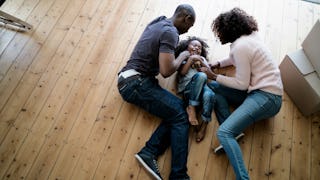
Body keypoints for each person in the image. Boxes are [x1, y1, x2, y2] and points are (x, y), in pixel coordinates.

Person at [199, 8, 283, 179]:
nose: (218, 36)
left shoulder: (240, 47)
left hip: (267, 97)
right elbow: (237, 59)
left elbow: (241, 84)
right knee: (214, 87)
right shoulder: (250, 37)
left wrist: (214, 76)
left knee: (223, 133)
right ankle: (233, 129)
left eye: (220, 32)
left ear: (229, 31)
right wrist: (217, 64)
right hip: (259, 94)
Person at [117, 4, 195, 180]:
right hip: (136, 82)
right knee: (181, 115)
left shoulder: (158, 22)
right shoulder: (171, 32)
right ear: (186, 18)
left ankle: (149, 152)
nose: (186, 31)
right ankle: (178, 176)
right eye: (189, 26)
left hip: (132, 80)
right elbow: (166, 71)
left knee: (178, 111)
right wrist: (183, 55)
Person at [175, 36, 213, 142]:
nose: (197, 48)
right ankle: (191, 107)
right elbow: (182, 72)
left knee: (210, 94)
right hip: (188, 90)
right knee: (201, 76)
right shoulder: (183, 58)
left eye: (199, 47)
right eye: (194, 45)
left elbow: (209, 71)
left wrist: (200, 61)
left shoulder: (202, 59)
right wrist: (191, 59)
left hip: (202, 90)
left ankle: (204, 125)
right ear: (187, 47)